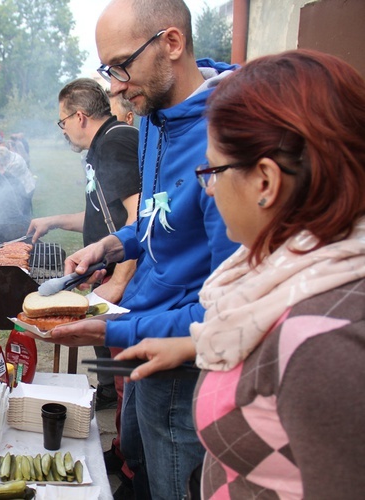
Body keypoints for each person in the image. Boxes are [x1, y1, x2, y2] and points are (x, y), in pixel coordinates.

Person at [114, 49, 365, 499]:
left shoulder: (325, 348)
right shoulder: (298, 277)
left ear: (265, 182)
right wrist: (194, 342)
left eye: (211, 170)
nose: (207, 187)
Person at [35, 1, 239, 498]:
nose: (115, 87)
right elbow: (154, 217)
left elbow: (229, 311)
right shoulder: (152, 116)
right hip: (144, 323)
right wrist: (111, 244)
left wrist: (112, 327)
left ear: (172, 43)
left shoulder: (229, 136)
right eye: (108, 70)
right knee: (137, 465)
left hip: (186, 356)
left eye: (121, 66)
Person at [28, 78, 141, 413]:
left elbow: (139, 215)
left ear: (79, 117)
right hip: (111, 266)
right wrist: (54, 221)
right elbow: (102, 215)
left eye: (62, 122)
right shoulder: (103, 145)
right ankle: (122, 441)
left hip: (129, 272)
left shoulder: (116, 141)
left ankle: (129, 461)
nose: (63, 131)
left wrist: (119, 282)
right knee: (118, 371)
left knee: (128, 376)